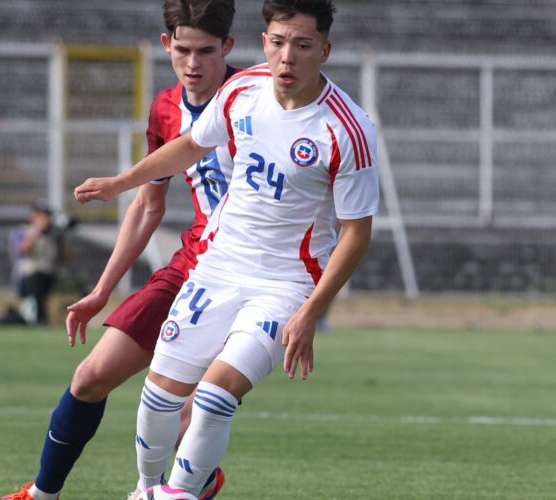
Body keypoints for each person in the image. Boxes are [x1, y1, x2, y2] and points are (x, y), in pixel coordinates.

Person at [74, 0, 378, 496]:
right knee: (158, 393)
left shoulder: (347, 128)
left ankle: (177, 493)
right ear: (264, 43)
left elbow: (356, 234)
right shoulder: (242, 91)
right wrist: (122, 182)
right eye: (279, 43)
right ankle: (147, 489)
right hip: (217, 269)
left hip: (285, 287)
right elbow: (193, 144)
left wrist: (311, 311)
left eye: (302, 46)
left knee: (215, 395)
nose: (287, 58)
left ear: (324, 50)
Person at [2, 1, 237, 498]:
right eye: (182, 50)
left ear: (229, 48)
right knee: (89, 377)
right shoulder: (166, 108)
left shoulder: (256, 101)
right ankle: (42, 494)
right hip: (194, 262)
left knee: (189, 410)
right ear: (165, 46)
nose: (192, 63)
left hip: (250, 277)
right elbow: (149, 207)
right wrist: (101, 291)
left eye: (206, 51)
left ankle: (181, 483)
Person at [16, 200, 69, 325]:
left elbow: (65, 258)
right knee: (37, 281)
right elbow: (22, 251)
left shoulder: (55, 234)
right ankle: (40, 318)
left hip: (51, 273)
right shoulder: (26, 231)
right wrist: (37, 230)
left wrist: (63, 237)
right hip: (32, 273)